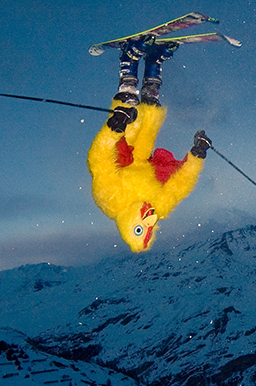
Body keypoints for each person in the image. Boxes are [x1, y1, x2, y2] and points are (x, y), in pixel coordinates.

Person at [86, 38, 211, 252]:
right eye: (150, 227)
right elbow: (180, 184)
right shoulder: (158, 207)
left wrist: (113, 129)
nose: (149, 219)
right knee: (151, 112)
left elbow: (99, 161)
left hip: (122, 155)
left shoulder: (112, 201)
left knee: (130, 114)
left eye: (139, 228)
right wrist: (197, 156)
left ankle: (129, 59)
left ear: (129, 225)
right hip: (142, 156)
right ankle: (154, 63)